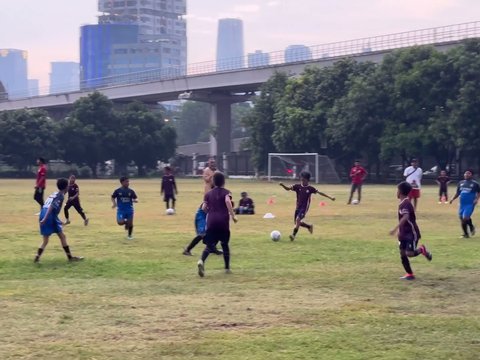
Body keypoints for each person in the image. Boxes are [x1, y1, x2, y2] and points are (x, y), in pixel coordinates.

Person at [197, 172, 237, 277]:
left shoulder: (208, 194)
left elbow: (203, 208)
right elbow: (228, 202)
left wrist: (209, 213)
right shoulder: (227, 192)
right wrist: (233, 215)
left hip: (211, 222)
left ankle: (201, 261)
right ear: (224, 182)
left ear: (213, 182)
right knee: (224, 244)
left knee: (210, 245)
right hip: (223, 222)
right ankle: (227, 268)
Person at [34, 178, 83, 263]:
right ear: (65, 188)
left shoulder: (55, 193)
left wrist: (58, 221)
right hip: (48, 215)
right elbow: (51, 207)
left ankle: (37, 258)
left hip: (44, 213)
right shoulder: (60, 195)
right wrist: (45, 219)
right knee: (62, 236)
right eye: (68, 185)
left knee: (46, 240)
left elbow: (49, 208)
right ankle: (70, 258)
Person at [389, 181, 432, 280]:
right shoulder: (403, 203)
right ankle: (410, 274)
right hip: (403, 233)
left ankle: (421, 250)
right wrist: (400, 231)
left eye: (397, 190)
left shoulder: (406, 203)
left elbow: (406, 216)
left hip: (411, 233)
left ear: (399, 192)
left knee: (409, 253)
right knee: (402, 253)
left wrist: (395, 229)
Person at [279, 171, 335, 241]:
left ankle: (293, 236)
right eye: (301, 179)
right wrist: (283, 185)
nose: (302, 180)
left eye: (304, 179)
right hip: (298, 208)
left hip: (304, 208)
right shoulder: (297, 186)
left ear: (307, 180)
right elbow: (288, 188)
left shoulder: (310, 188)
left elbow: (320, 193)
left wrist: (330, 197)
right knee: (297, 222)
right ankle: (309, 226)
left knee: (298, 220)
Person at [449, 170, 480, 238]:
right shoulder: (461, 183)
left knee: (465, 218)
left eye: (468, 173)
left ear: (471, 175)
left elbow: (478, 192)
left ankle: (466, 233)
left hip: (470, 204)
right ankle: (469, 230)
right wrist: (452, 199)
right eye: (465, 173)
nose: (466, 174)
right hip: (462, 204)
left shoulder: (475, 184)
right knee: (462, 218)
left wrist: (476, 199)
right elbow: (458, 193)